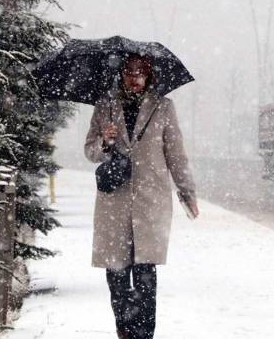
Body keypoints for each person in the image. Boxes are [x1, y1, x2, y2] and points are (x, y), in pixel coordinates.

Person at [84, 54, 199, 339]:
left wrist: (187, 192)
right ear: (121, 75)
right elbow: (90, 151)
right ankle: (124, 331)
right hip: (115, 203)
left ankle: (144, 335)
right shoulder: (105, 106)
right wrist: (105, 142)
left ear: (149, 76)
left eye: (140, 73)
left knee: (146, 275)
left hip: (151, 201)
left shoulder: (163, 107)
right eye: (129, 73)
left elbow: (176, 154)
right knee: (117, 275)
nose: (134, 79)